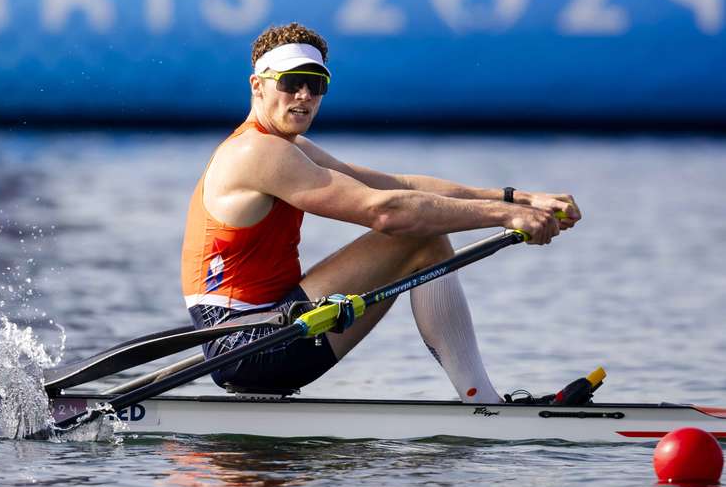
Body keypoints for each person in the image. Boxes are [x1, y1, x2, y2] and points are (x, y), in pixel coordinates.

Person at [181, 22, 580, 402]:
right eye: (290, 82)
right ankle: (485, 405)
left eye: (316, 84)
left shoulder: (289, 147)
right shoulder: (257, 152)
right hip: (248, 344)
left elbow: (399, 187)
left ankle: (484, 404)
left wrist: (516, 198)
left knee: (423, 226)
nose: (304, 95)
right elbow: (384, 211)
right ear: (258, 86)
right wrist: (503, 217)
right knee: (417, 232)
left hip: (269, 326)